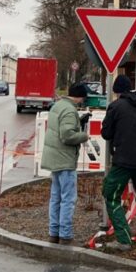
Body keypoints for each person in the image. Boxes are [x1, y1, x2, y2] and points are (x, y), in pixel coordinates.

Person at [101, 74, 136, 250]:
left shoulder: (115, 106)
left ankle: (124, 239)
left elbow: (106, 133)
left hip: (124, 160)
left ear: (116, 91)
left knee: (111, 195)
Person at [41, 82, 89, 245]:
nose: (83, 101)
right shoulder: (69, 110)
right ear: (79, 97)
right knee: (68, 199)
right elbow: (67, 136)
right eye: (83, 98)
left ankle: (53, 233)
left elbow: (61, 129)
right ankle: (65, 236)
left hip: (55, 158)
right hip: (65, 159)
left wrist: (77, 123)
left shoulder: (58, 105)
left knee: (55, 197)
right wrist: (84, 135)